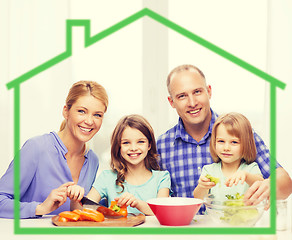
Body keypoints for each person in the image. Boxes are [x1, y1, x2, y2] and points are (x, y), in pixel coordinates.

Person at [157, 64, 292, 212]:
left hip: (235, 228)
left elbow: (286, 185)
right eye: (182, 96)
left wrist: (270, 186)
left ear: (209, 91)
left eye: (197, 92)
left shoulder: (240, 133)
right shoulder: (162, 146)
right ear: (171, 102)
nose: (192, 103)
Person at [0, 80, 108, 218]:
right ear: (66, 111)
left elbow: (84, 210)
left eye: (97, 115)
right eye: (82, 111)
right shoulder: (36, 148)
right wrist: (40, 208)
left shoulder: (92, 160)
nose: (89, 121)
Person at [71, 114, 171, 215]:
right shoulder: (107, 178)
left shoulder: (162, 178)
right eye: (126, 143)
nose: (133, 148)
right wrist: (75, 197)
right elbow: (84, 211)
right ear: (118, 146)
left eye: (140, 142)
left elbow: (162, 212)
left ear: (149, 145)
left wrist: (137, 203)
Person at [193, 112, 264, 200]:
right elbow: (198, 198)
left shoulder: (250, 169)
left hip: (244, 214)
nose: (226, 148)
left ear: (246, 144)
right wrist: (202, 187)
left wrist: (246, 176)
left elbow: (261, 184)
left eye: (234, 142)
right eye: (221, 141)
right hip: (214, 213)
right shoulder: (209, 170)